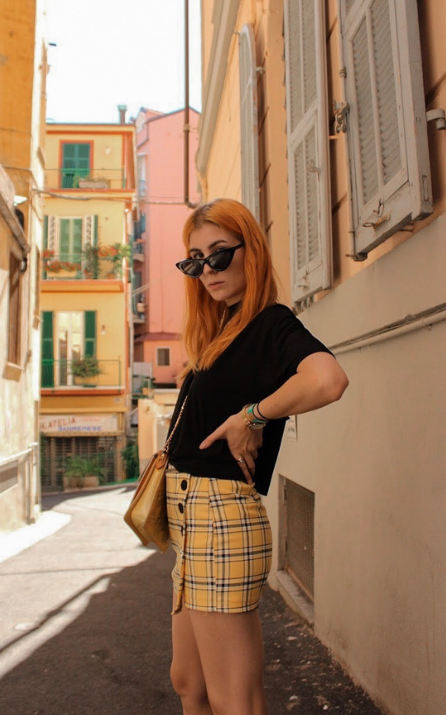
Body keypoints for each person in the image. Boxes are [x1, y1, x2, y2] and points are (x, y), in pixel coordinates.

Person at [164, 199, 349, 715]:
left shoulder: (271, 323)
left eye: (219, 254)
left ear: (252, 252)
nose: (207, 270)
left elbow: (327, 379)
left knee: (233, 699)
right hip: (189, 519)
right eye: (195, 260)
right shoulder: (218, 331)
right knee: (189, 683)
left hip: (220, 516)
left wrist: (254, 416)